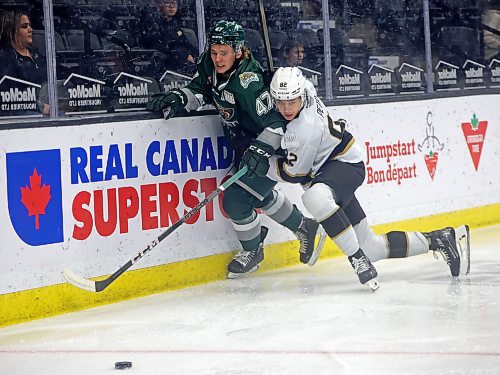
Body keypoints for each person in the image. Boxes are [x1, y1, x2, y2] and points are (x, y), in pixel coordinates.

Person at [146, 20, 326, 278]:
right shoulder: (209, 64)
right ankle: (304, 227)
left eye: (224, 53)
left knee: (235, 200)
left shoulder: (248, 82)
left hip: (272, 148)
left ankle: (253, 249)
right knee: (257, 193)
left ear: (238, 51)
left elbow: (277, 121)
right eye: (215, 51)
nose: (218, 58)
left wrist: (261, 149)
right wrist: (180, 98)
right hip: (245, 144)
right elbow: (201, 89)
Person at [267, 67, 471, 290]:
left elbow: (294, 173)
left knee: (314, 198)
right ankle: (438, 239)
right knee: (372, 247)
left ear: (302, 97)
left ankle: (356, 259)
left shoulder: (303, 128)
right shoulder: (305, 88)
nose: (286, 108)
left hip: (344, 166)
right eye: (280, 101)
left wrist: (265, 165)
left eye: (291, 102)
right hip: (330, 173)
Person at [0, 9, 49, 115]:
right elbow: (10, 97)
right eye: (24, 26)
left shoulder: (37, 54)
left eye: (30, 26)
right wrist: (39, 107)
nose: (30, 30)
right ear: (12, 32)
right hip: (26, 115)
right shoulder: (6, 61)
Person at [138, 0, 196, 75]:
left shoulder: (175, 23)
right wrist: (183, 54)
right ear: (159, 5)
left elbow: (183, 42)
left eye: (174, 3)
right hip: (162, 69)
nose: (171, 6)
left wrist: (193, 54)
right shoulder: (153, 23)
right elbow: (160, 45)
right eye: (167, 3)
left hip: (178, 67)